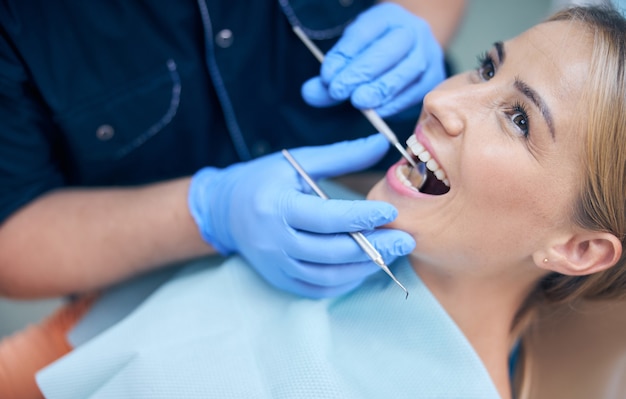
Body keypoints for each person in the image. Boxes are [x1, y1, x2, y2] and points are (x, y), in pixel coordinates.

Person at [4, 4, 626, 399]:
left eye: (518, 119)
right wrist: (209, 213)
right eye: (486, 66)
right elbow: (37, 361)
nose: (440, 98)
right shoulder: (222, 266)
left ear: (579, 249)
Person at [0, 0, 465, 301]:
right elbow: (12, 236)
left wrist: (420, 21)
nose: (451, 108)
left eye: (489, 71)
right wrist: (210, 211)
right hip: (158, 299)